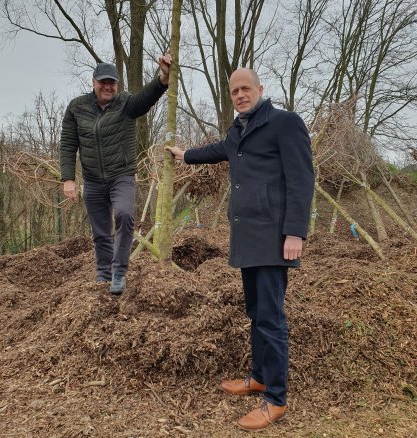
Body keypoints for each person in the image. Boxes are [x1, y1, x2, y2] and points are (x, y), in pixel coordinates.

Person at [165, 68, 314, 431]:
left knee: (271, 317)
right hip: (247, 236)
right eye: (234, 91)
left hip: (274, 237)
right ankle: (259, 376)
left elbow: (301, 178)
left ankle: (276, 399)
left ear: (260, 89)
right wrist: (185, 155)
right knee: (255, 311)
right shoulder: (238, 131)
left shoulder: (284, 123)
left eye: (246, 88)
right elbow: (217, 151)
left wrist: (295, 232)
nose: (240, 95)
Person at [59, 55, 173, 295]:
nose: (108, 86)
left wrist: (162, 79)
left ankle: (119, 272)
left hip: (121, 175)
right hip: (91, 179)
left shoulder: (125, 103)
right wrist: (68, 178)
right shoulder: (76, 108)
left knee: (124, 214)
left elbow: (145, 99)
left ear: (117, 85)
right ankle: (104, 273)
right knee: (100, 231)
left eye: (112, 82)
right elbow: (68, 143)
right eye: (103, 82)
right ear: (94, 83)